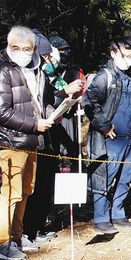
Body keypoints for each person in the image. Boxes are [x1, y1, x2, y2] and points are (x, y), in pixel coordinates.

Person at [0, 26, 67, 260]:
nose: (22, 52)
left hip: (32, 140)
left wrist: (53, 114)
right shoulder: (0, 71)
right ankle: (2, 242)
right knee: (10, 192)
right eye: (16, 48)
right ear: (9, 47)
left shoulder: (37, 69)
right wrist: (34, 124)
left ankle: (16, 236)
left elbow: (41, 102)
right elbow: (1, 111)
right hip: (12, 141)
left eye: (27, 49)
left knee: (26, 191)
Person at [21, 31, 84, 247]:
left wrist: (64, 99)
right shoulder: (26, 74)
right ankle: (24, 231)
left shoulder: (46, 73)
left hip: (49, 135)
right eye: (47, 57)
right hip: (32, 136)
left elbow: (52, 95)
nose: (50, 61)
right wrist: (63, 93)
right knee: (33, 185)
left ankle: (36, 227)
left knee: (46, 183)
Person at [84, 38, 131, 233]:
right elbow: (89, 102)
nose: (128, 59)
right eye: (124, 55)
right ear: (113, 53)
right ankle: (101, 218)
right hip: (109, 139)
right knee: (104, 176)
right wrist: (103, 126)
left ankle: (118, 214)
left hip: (130, 137)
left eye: (130, 56)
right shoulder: (105, 76)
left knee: (125, 177)